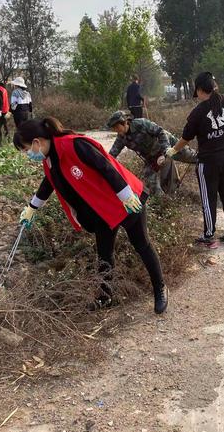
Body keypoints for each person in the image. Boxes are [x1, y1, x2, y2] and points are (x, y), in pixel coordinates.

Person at [15, 117, 168, 315]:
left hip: (125, 201)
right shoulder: (50, 158)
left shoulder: (74, 145)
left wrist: (126, 195)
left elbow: (106, 166)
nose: (28, 154)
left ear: (37, 142)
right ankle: (106, 297)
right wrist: (32, 207)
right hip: (101, 210)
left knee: (141, 245)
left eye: (26, 149)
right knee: (104, 254)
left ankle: (160, 289)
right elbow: (49, 182)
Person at [165, 72, 224, 249]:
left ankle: (209, 237)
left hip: (209, 163)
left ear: (199, 90)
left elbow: (186, 138)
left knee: (209, 199)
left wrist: (173, 150)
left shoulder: (198, 112)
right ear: (215, 85)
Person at [106, 111, 197, 195]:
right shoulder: (121, 138)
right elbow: (112, 154)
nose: (116, 130)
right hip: (152, 157)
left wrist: (167, 151)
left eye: (117, 127)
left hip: (169, 146)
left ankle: (209, 163)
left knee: (193, 157)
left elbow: (160, 132)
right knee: (149, 179)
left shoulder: (141, 124)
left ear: (125, 122)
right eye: (114, 128)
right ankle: (163, 199)